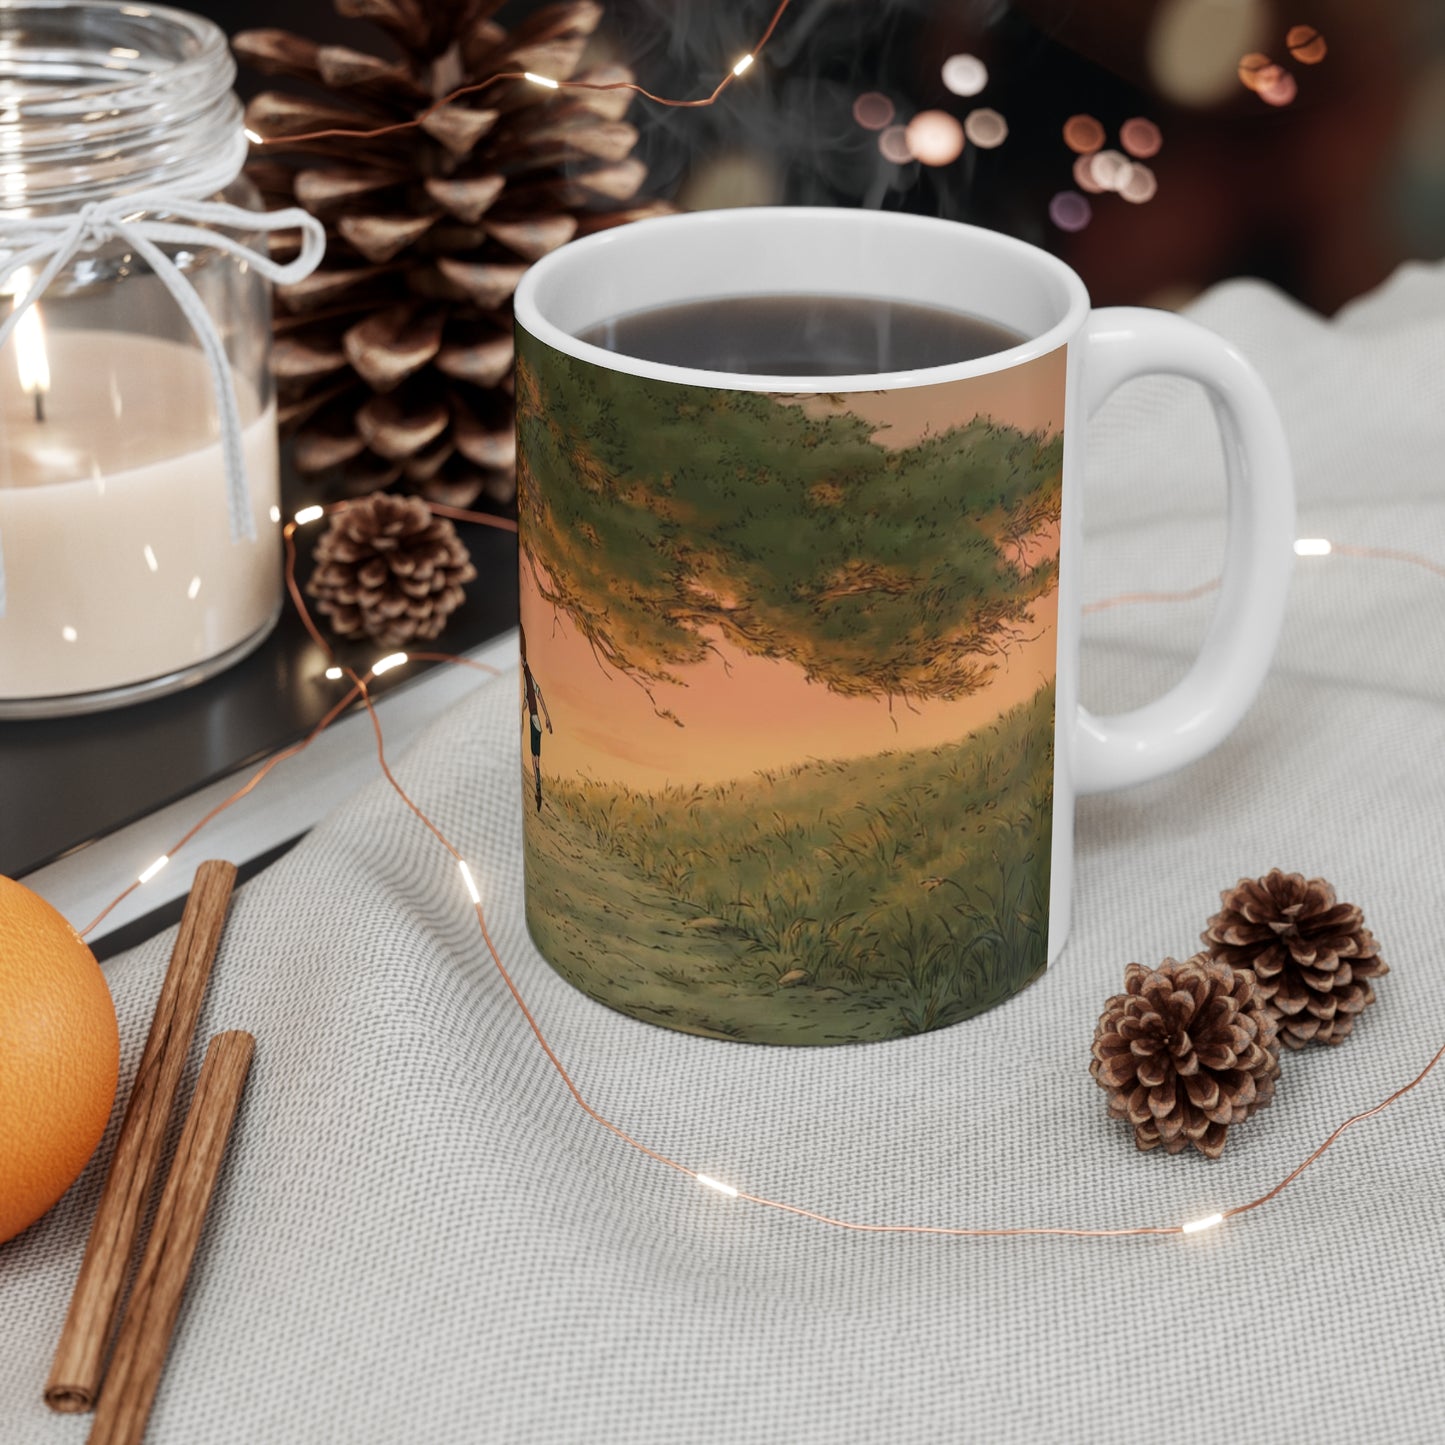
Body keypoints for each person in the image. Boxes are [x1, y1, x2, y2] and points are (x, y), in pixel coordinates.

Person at [518, 624, 552, 812]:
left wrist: (546, 718)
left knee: (534, 758)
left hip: (534, 720)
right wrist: (547, 718)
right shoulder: (528, 675)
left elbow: (531, 698)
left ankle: (538, 789)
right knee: (535, 757)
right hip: (536, 719)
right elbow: (537, 697)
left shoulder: (527, 675)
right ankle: (538, 789)